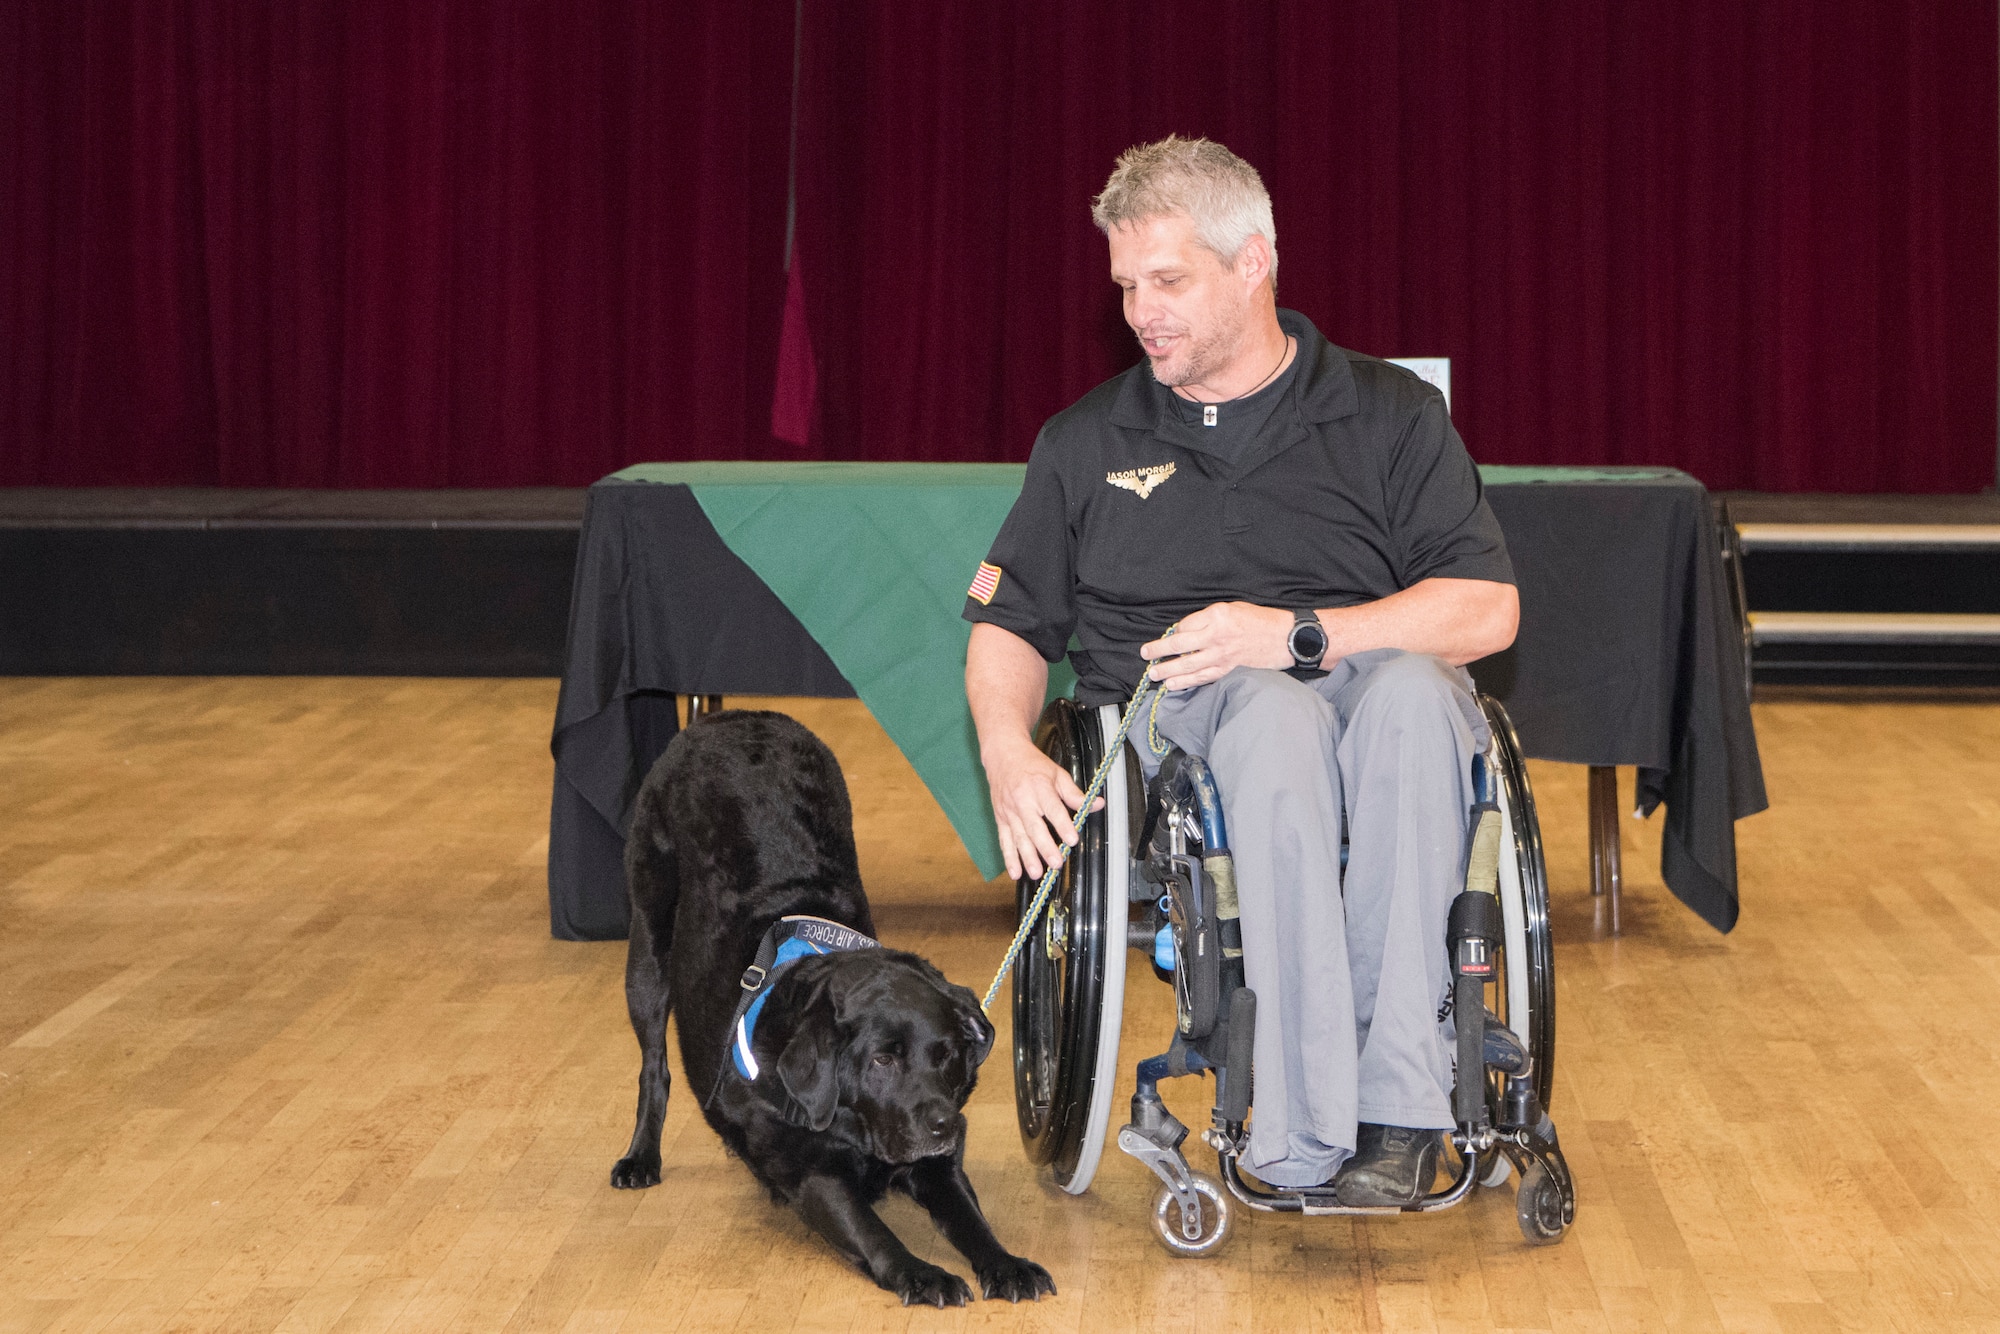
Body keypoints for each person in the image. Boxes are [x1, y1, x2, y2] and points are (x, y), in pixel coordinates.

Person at [961, 136, 1518, 1204]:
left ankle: (1400, 1113)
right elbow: (1011, 622)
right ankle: (1301, 1128)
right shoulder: (1085, 441)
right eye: (1125, 284)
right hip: (1190, 719)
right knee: (1268, 716)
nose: (1140, 310)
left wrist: (1298, 633)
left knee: (1411, 693)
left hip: (1354, 673)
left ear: (1253, 262)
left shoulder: (1389, 414)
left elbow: (1486, 610)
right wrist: (1002, 748)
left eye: (1167, 280)